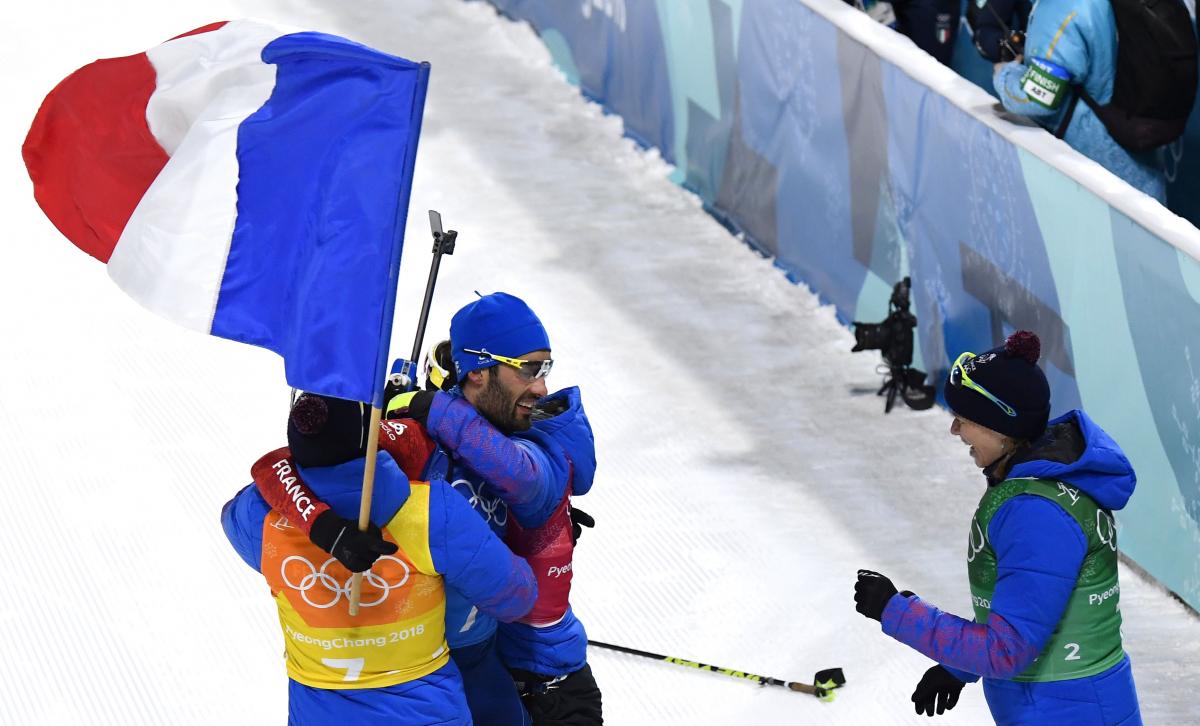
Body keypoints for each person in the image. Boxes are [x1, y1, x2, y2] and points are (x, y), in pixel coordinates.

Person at [255, 292, 602, 726]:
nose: (542, 387)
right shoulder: (425, 436)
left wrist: (434, 408)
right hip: (456, 660)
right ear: (478, 371)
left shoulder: (543, 433)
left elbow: (524, 479)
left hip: (544, 672)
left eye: (545, 369)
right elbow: (290, 462)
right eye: (529, 369)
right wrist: (321, 522)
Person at [852, 330, 1142, 724]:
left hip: (1066, 711)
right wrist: (958, 667)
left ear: (1001, 427)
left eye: (964, 419)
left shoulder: (1037, 513)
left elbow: (1008, 649)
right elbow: (1029, 609)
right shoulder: (1036, 490)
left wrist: (897, 610)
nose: (955, 430)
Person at [222, 392, 537, 725]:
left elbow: (243, 501)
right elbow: (516, 597)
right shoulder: (433, 510)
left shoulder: (260, 517)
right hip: (426, 712)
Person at [991, 0, 1166, 201]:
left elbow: (1038, 98)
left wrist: (1005, 75)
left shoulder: (1062, 7)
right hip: (1144, 173)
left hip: (1094, 180)